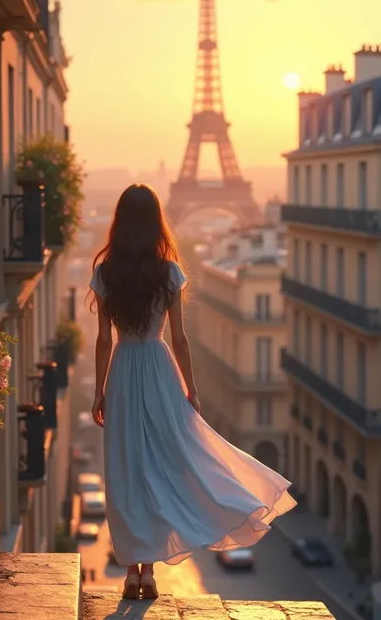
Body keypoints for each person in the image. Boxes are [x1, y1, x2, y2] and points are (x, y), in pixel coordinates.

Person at [88, 184, 296, 600]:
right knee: (165, 465)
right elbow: (180, 339)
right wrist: (192, 390)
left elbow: (103, 341)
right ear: (155, 222)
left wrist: (99, 391)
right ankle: (150, 571)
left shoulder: (106, 273)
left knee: (127, 470)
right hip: (161, 370)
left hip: (125, 371)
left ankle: (132, 572)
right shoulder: (168, 272)